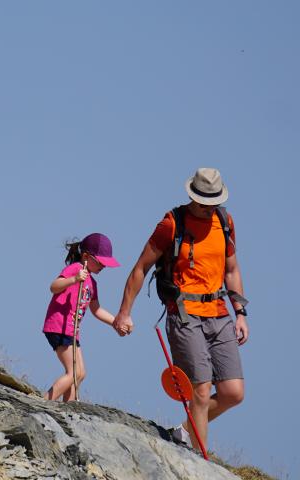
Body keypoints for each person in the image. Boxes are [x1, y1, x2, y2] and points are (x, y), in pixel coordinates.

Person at [112, 167, 249, 452]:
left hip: (220, 313)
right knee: (200, 390)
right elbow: (140, 268)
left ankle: (185, 431)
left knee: (233, 393)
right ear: (192, 196)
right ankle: (200, 460)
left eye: (213, 202)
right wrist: (124, 312)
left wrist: (241, 313)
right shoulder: (172, 223)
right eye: (203, 202)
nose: (208, 207)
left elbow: (232, 269)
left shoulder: (225, 221)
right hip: (184, 314)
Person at [42, 233, 121, 402]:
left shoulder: (92, 283)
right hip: (59, 326)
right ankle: (43, 402)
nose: (104, 266)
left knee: (80, 373)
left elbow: (97, 310)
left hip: (72, 331)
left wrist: (116, 322)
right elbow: (54, 287)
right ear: (85, 256)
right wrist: (74, 279)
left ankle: (67, 409)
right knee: (74, 372)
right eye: (101, 262)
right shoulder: (75, 269)